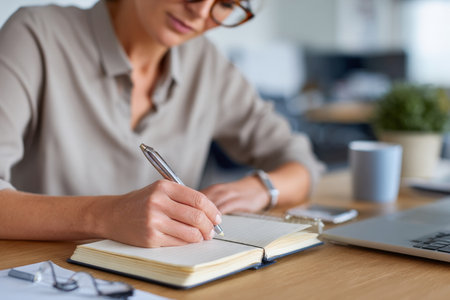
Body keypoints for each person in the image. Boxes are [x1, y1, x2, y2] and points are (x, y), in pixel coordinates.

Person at [0, 0, 323, 248]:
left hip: (169, 279)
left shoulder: (206, 65)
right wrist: (106, 216)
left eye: (225, 4)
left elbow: (302, 163)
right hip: (48, 275)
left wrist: (262, 189)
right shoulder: (37, 35)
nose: (199, 12)